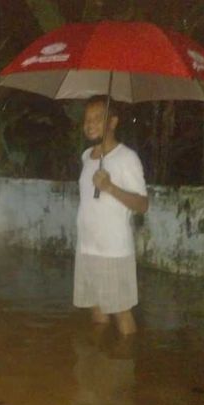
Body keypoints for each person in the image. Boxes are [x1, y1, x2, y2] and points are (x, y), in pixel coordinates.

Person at [74, 96, 148, 335]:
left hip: (113, 250)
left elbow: (142, 204)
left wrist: (111, 188)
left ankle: (126, 364)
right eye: (87, 119)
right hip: (87, 246)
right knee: (96, 312)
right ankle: (98, 364)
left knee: (121, 312)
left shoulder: (127, 158)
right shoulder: (87, 157)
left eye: (98, 118)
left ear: (113, 122)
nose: (90, 124)